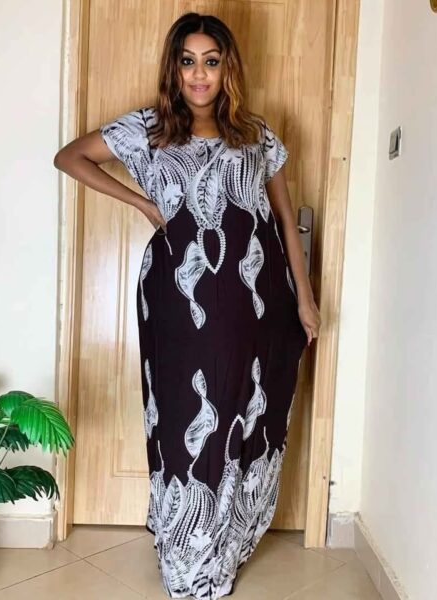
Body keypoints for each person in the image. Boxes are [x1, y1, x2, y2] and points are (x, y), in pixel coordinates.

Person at [54, 11, 321, 600]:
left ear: (228, 69)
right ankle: (187, 553)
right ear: (174, 69)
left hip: (257, 297)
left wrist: (304, 299)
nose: (199, 74)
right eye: (188, 61)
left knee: (245, 410)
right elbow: (69, 157)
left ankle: (227, 541)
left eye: (211, 61)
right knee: (186, 415)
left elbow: (283, 218)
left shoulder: (255, 135)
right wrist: (144, 205)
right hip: (182, 295)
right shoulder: (148, 128)